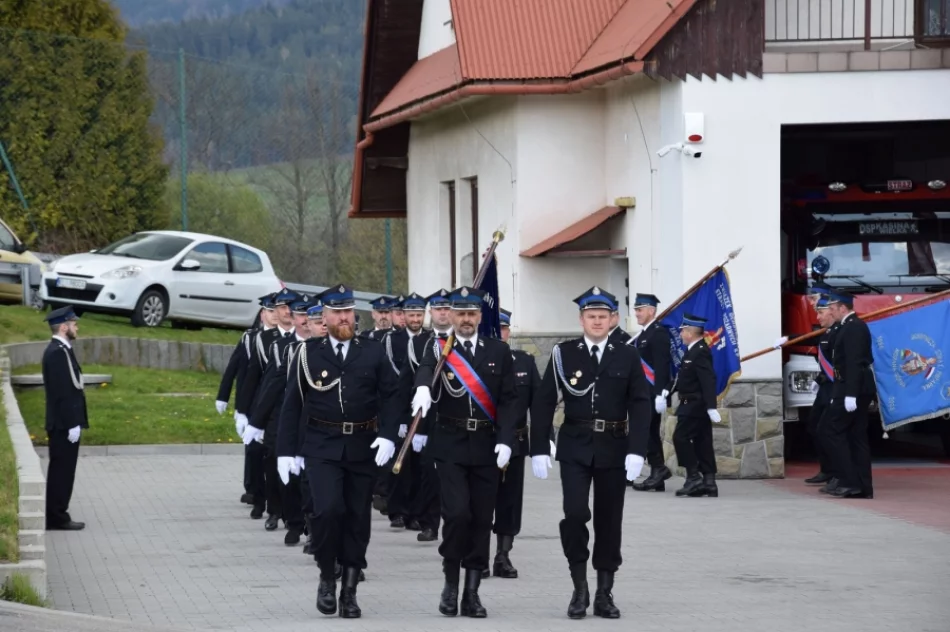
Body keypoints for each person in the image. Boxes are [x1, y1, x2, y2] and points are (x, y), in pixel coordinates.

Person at [277, 284, 399, 619]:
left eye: (348, 311)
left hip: (362, 446)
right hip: (322, 445)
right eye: (337, 312)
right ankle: (326, 574)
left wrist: (388, 435)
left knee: (358, 519)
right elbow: (292, 404)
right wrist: (285, 451)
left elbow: (392, 395)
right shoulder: (309, 354)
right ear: (325, 316)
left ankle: (349, 590)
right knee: (328, 511)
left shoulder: (372, 351)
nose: (343, 317)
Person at [529, 286, 651, 619]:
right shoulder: (563, 353)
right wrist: (538, 446)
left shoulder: (627, 354)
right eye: (591, 316)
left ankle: (604, 593)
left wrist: (637, 450)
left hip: (614, 446)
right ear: (581, 319)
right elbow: (543, 402)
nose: (597, 322)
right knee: (575, 513)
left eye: (603, 316)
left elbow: (640, 404)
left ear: (612, 319)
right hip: (575, 445)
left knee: (610, 521)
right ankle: (579, 586)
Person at [410, 287, 518, 618]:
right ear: (451, 316)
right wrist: (423, 387)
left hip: (486, 447)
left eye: (472, 314)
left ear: (480, 317)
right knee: (457, 515)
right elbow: (426, 368)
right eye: (461, 314)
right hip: (451, 445)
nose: (466, 319)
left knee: (482, 519)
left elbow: (510, 399)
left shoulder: (498, 351)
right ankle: (450, 583)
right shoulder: (440, 347)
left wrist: (506, 439)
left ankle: (471, 593)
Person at [482, 308, 541, 580]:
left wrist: (543, 442)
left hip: (515, 443)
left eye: (504, 328)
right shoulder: (477, 360)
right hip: (484, 442)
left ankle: (503, 555)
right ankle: (479, 554)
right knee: (481, 501)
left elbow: (538, 404)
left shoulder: (524, 362)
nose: (500, 333)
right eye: (496, 328)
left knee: (510, 502)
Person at [248, 295, 312, 543]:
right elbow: (272, 386)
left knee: (310, 479)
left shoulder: (323, 348)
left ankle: (311, 528)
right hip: (286, 418)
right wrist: (256, 421)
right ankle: (292, 523)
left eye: (311, 315)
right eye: (301, 315)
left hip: (316, 422)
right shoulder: (286, 349)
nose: (306, 321)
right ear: (294, 318)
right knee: (285, 475)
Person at [237, 288, 297, 520]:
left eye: (291, 308)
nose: (287, 312)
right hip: (271, 410)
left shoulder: (308, 340)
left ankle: (294, 516)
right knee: (269, 460)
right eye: (282, 308)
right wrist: (245, 413)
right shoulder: (265, 341)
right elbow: (252, 380)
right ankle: (269, 507)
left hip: (298, 411)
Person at [404, 289, 454, 543]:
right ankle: (430, 524)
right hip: (427, 418)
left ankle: (453, 524)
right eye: (438, 309)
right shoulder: (419, 343)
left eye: (447, 308)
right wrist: (409, 423)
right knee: (428, 473)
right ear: (430, 312)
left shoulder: (462, 339)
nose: (443, 313)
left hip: (455, 417)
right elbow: (406, 383)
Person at [218, 295, 273, 505]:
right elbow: (234, 367)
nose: (275, 315)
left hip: (274, 399)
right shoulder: (251, 338)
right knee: (253, 448)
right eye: (270, 311)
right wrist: (226, 398)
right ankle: (253, 489)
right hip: (252, 399)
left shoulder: (285, 339)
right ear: (263, 314)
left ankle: (270, 490)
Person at [381, 292, 428, 530]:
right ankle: (397, 510)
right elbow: (393, 377)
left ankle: (418, 512)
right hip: (400, 405)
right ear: (403, 316)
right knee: (400, 462)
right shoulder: (392, 340)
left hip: (423, 407)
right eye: (412, 314)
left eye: (419, 314)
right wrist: (398, 417)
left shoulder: (429, 340)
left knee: (420, 465)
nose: (416, 319)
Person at [823, 289, 874, 499]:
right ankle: (860, 485)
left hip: (855, 388)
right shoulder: (847, 326)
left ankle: (850, 480)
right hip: (849, 387)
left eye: (833, 309)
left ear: (843, 308)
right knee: (854, 435)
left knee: (832, 430)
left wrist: (850, 394)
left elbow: (853, 362)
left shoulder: (854, 328)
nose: (831, 313)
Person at [43, 305, 88, 531]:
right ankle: (56, 517)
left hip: (65, 422)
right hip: (62, 424)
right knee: (61, 471)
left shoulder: (62, 350)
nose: (76, 327)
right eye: (73, 323)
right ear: (63, 327)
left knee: (64, 471)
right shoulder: (56, 353)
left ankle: (57, 513)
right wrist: (72, 423)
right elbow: (62, 392)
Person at [670, 313, 720, 498]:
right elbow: (683, 378)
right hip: (692, 402)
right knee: (702, 441)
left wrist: (711, 406)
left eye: (683, 331)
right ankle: (709, 481)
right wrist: (668, 391)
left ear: (690, 332)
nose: (681, 334)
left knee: (680, 438)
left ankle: (693, 477)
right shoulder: (694, 350)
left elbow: (708, 379)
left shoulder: (700, 351)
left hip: (693, 404)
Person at [628, 294, 673, 492]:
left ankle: (659, 469)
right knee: (648, 432)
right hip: (643, 394)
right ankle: (658, 474)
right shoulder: (645, 334)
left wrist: (661, 393)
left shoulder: (658, 333)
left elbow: (662, 366)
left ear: (651, 311)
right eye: (636, 310)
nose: (636, 313)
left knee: (646, 432)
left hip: (652, 394)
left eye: (640, 310)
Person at [804, 296, 839, 486]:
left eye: (821, 312)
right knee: (814, 425)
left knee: (827, 430)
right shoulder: (827, 333)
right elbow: (806, 339)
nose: (817, 317)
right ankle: (827, 469)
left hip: (835, 387)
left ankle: (835, 471)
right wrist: (786, 339)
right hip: (825, 385)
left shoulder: (838, 332)